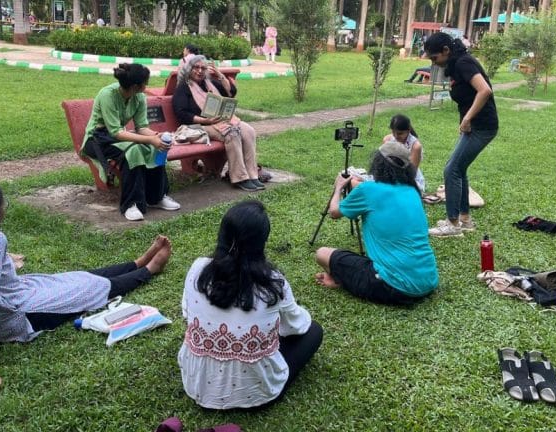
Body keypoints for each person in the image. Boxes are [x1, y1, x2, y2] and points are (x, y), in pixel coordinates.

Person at [0, 179, 172, 404]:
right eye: (4, 203)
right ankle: (149, 271)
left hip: (19, 292)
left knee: (75, 278)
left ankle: (136, 263)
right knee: (92, 290)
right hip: (17, 316)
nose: (6, 205)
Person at [178, 200, 323, 410]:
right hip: (257, 396)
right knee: (314, 331)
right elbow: (297, 326)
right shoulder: (273, 282)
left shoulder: (197, 268)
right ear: (262, 241)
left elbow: (186, 313)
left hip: (196, 386)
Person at [314, 142, 439, 304]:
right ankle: (339, 277)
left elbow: (334, 212)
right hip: (429, 280)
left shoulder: (368, 190)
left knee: (322, 254)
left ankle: (338, 279)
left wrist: (338, 188)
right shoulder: (413, 191)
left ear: (378, 163)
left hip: (394, 287)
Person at [82, 63, 181, 221]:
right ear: (136, 86)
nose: (146, 86)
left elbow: (141, 127)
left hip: (118, 136)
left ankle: (157, 197)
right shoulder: (108, 95)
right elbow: (116, 132)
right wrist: (150, 139)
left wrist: (157, 136)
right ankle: (130, 204)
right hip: (97, 139)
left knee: (155, 147)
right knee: (133, 151)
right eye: (145, 83)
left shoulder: (139, 97)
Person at [423, 32, 498, 237]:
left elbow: (484, 91)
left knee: (451, 170)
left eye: (434, 58)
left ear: (446, 51)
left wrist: (467, 119)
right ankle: (464, 220)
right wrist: (465, 120)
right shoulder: (456, 65)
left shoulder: (464, 63)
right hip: (473, 126)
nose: (434, 63)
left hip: (482, 126)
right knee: (459, 169)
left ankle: (452, 224)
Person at [172, 55, 263, 191]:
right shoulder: (183, 87)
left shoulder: (210, 83)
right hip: (200, 126)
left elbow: (231, 92)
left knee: (248, 131)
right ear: (189, 69)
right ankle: (239, 177)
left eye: (203, 68)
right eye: (196, 68)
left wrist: (219, 74)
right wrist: (205, 120)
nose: (200, 71)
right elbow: (182, 114)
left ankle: (252, 175)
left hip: (221, 121)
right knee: (232, 133)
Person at [382, 114, 425, 193]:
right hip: (389, 174)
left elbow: (411, 172)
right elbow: (384, 163)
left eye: (400, 133)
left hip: (408, 179)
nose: (395, 136)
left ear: (408, 131)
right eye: (393, 132)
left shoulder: (415, 146)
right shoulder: (387, 139)